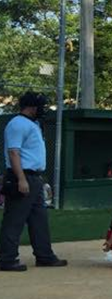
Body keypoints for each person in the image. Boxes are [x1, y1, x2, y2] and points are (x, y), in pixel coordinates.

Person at [1, 92, 68, 272]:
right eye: (40, 106)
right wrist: (21, 179)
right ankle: (6, 259)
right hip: (22, 176)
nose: (43, 109)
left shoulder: (33, 124)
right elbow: (13, 152)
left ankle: (44, 256)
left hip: (35, 178)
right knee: (14, 220)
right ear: (31, 106)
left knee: (40, 219)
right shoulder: (17, 124)